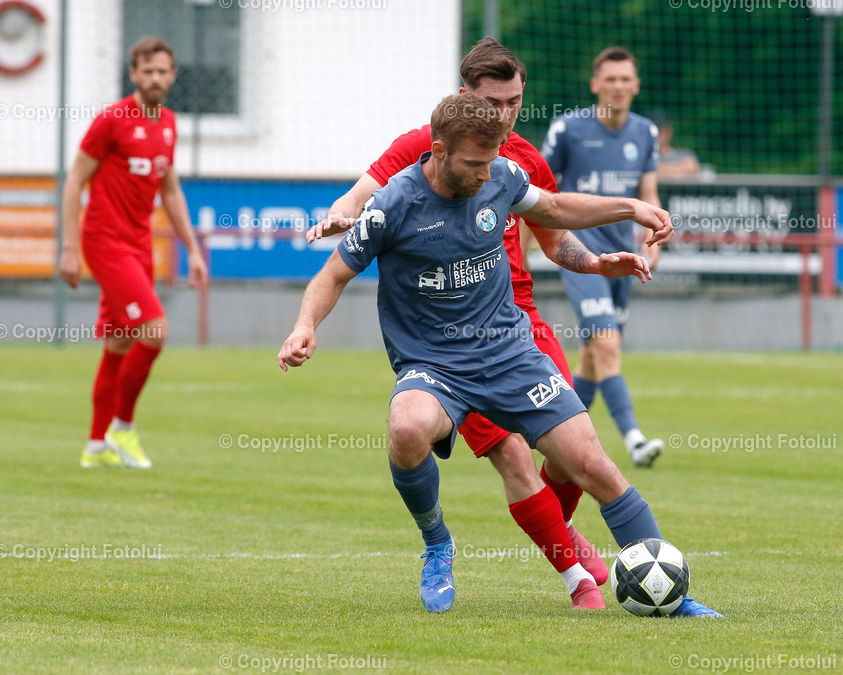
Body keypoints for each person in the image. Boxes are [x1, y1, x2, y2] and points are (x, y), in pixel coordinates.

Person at [281, 92, 721, 619]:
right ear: (439, 151)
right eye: (474, 163)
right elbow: (332, 276)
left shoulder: (501, 176)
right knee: (407, 428)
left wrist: (629, 211)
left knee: (594, 466)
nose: (485, 174)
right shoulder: (393, 204)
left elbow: (554, 209)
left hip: (511, 355)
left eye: (490, 161)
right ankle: (437, 542)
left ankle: (674, 598)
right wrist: (304, 327)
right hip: (435, 366)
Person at [58, 36, 208, 469]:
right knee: (154, 329)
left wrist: (193, 250)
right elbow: (74, 180)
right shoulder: (112, 120)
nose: (155, 78)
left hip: (139, 245)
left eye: (163, 71)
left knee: (120, 341)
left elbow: (170, 190)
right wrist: (69, 247)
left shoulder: (169, 123)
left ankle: (95, 446)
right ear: (134, 74)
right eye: (148, 71)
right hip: (105, 242)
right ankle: (122, 429)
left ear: (173, 75)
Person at [542, 46, 666, 468]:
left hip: (623, 259)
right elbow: (538, 192)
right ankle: (634, 440)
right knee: (607, 345)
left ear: (636, 85)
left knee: (592, 360)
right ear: (595, 85)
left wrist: (653, 242)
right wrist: (521, 255)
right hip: (581, 255)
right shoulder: (567, 129)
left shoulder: (645, 132)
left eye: (625, 79)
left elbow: (648, 194)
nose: (617, 86)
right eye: (609, 79)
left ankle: (559, 445)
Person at [648, 110, 702, 178]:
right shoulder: (644, 156)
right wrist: (679, 168)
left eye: (659, 131)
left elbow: (692, 168)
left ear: (669, 132)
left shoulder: (684, 154)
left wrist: (656, 169)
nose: (655, 135)